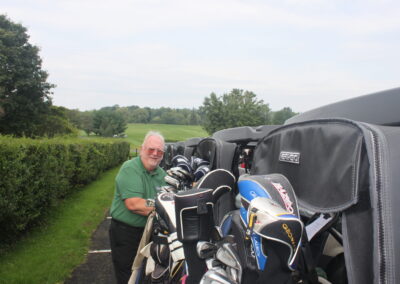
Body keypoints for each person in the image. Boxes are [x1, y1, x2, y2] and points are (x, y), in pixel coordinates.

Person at [109, 131, 167, 284]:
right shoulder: (130, 168)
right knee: (128, 275)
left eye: (159, 151)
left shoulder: (161, 175)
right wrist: (162, 206)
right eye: (151, 149)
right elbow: (134, 204)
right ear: (142, 149)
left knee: (146, 276)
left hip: (149, 234)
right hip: (126, 233)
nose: (155, 154)